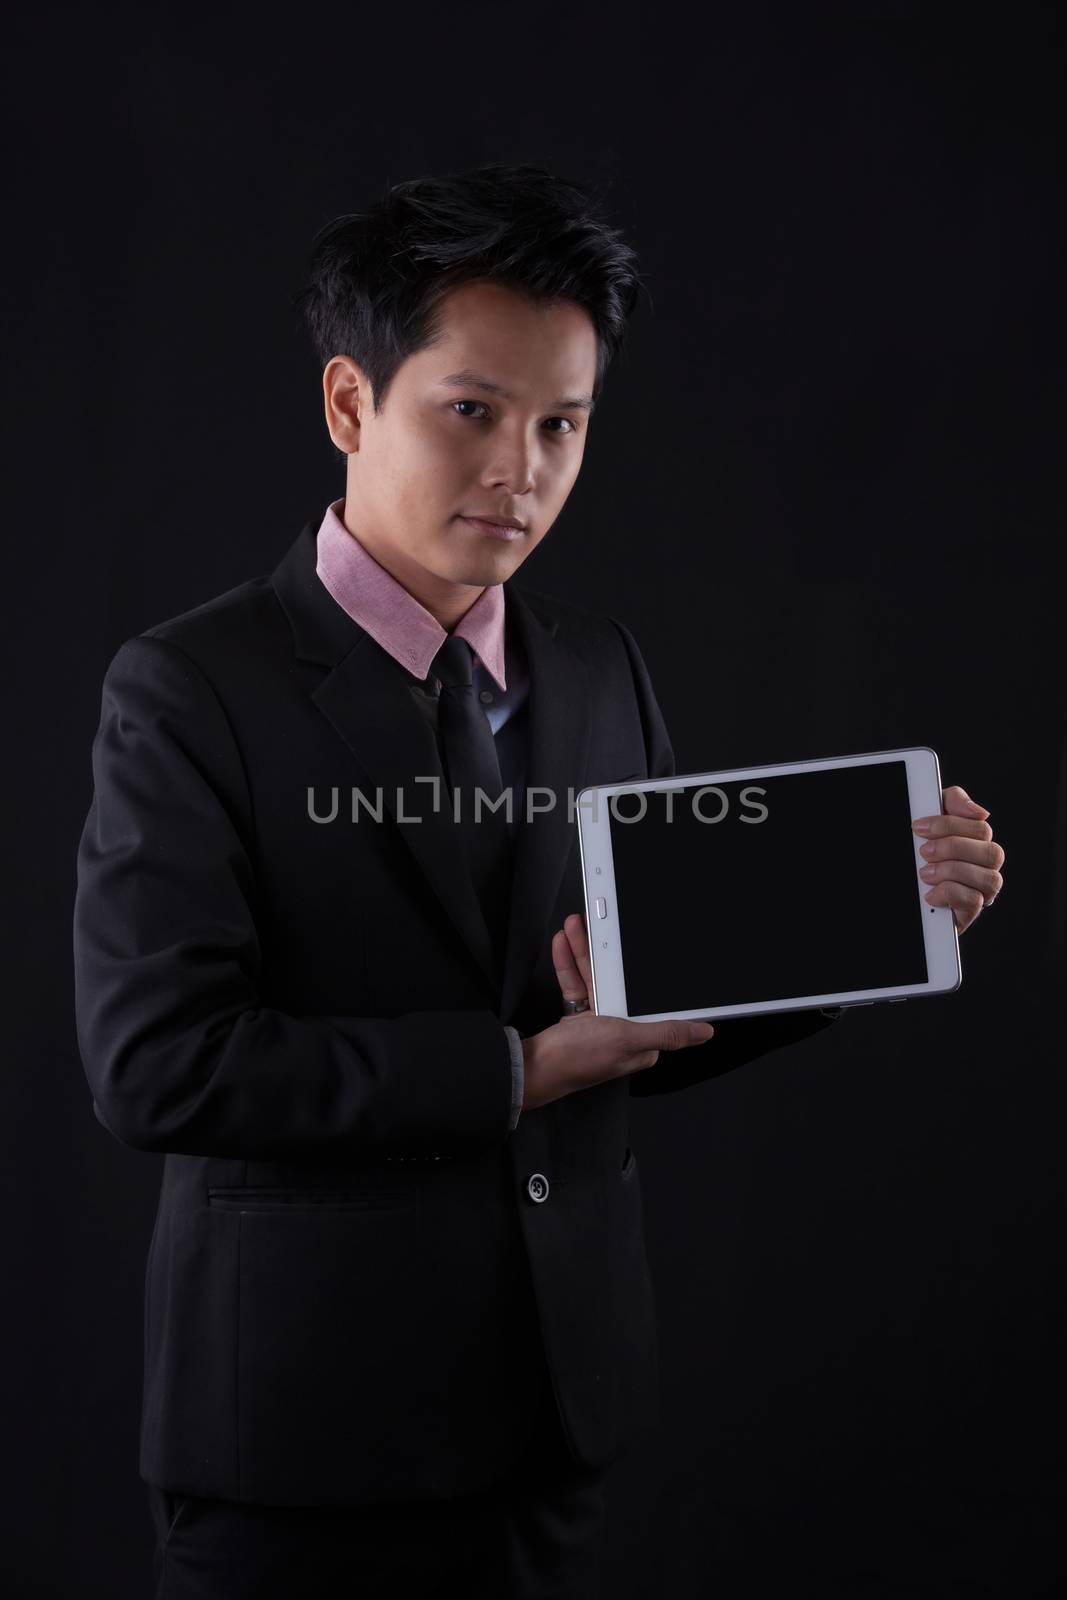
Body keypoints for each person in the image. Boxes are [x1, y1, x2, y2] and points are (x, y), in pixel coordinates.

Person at [72, 162, 1004, 1599]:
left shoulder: (593, 664)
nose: (524, 470)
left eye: (564, 423)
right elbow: (162, 1068)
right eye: (474, 413)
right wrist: (516, 1073)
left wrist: (870, 907)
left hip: (553, 1424)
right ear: (347, 405)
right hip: (300, 1437)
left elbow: (649, 997)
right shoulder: (192, 688)